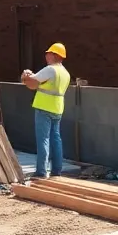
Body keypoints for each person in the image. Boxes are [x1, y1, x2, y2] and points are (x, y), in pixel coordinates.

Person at [21, 43, 71, 179]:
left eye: (48, 53)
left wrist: (25, 74)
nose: (46, 55)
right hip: (58, 108)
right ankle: (56, 171)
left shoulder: (50, 69)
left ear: (54, 55)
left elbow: (32, 80)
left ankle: (41, 172)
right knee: (56, 139)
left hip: (44, 107)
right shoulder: (65, 73)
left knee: (43, 139)